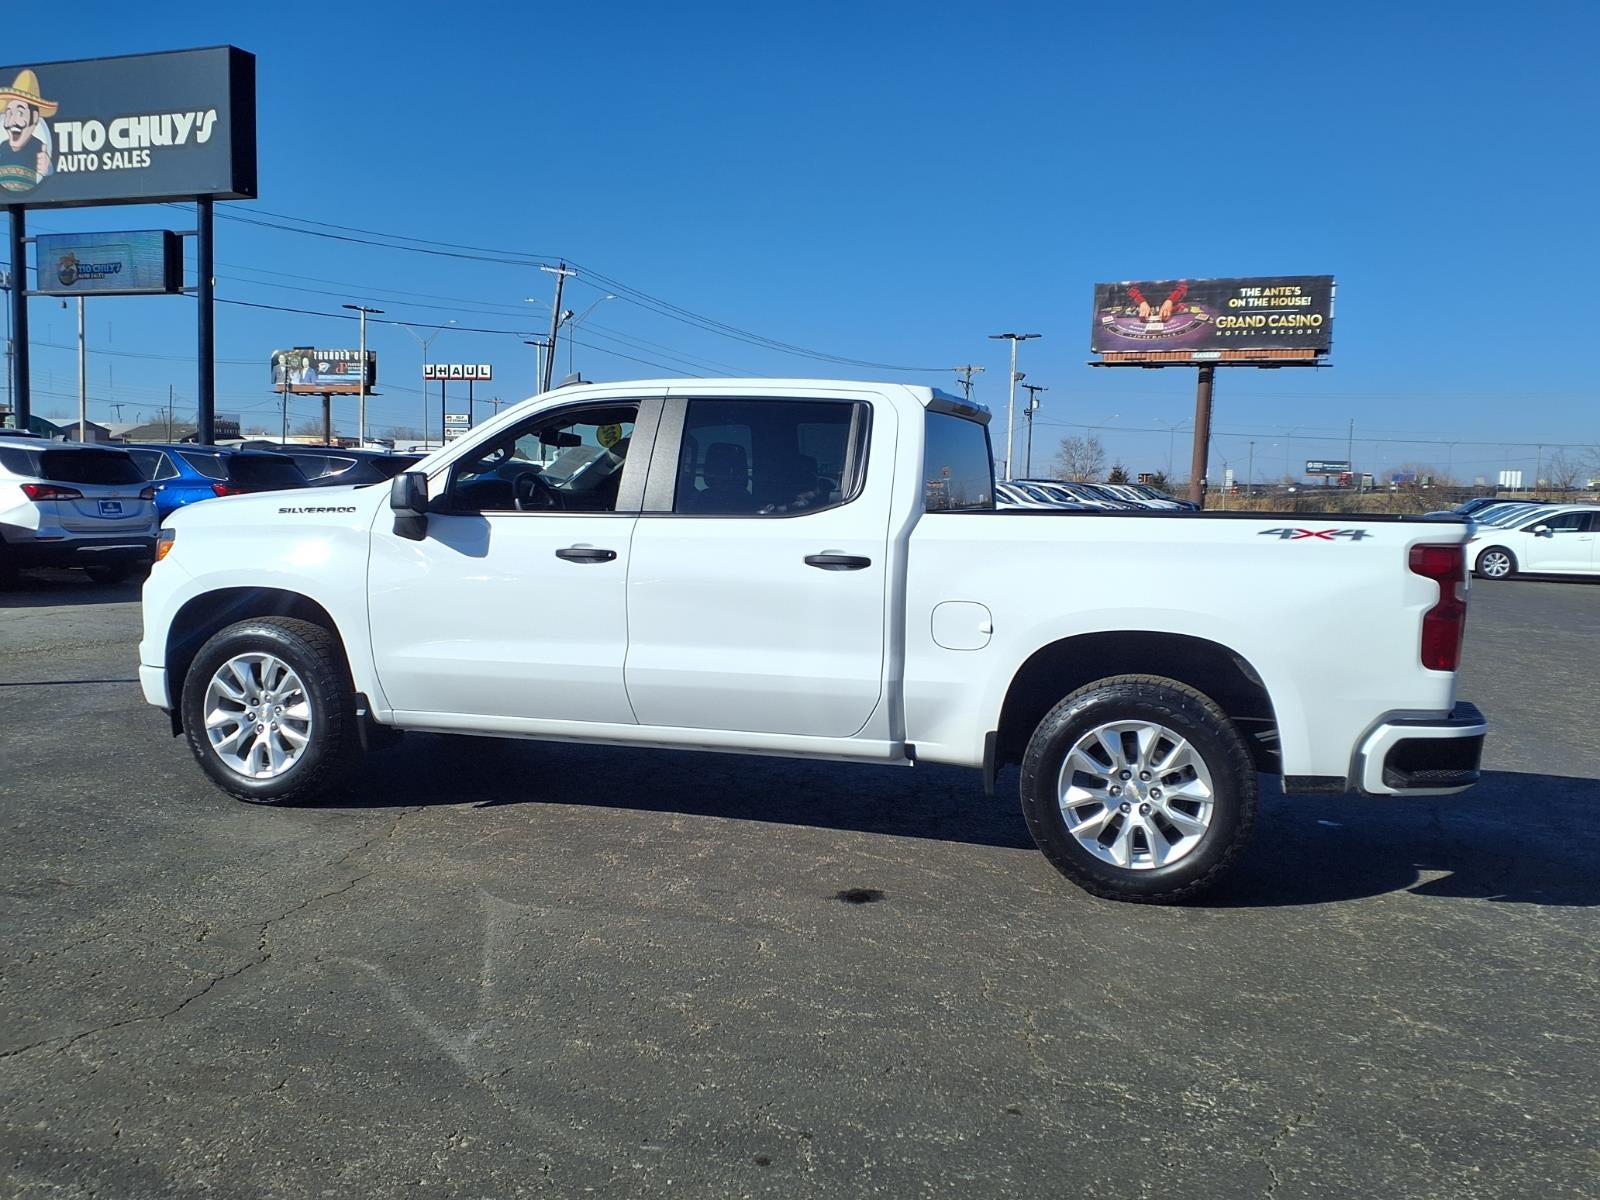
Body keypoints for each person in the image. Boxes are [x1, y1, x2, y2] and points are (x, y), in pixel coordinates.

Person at [0, 70, 56, 193]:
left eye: (20, 113)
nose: (11, 122)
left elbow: (55, 187)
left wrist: (47, 171)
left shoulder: (39, 149)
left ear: (35, 117)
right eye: (8, 113)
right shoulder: (2, 148)